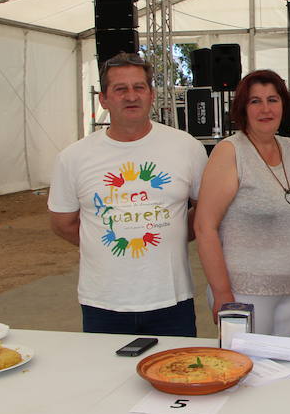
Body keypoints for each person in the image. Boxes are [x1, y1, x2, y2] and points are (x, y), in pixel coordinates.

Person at [48, 52, 208, 336]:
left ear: (151, 94)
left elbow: (205, 213)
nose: (131, 96)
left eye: (139, 87)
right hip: (104, 303)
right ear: (104, 99)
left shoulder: (187, 148)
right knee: (104, 378)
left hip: (171, 300)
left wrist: (169, 234)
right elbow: (64, 224)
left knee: (178, 375)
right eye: (120, 89)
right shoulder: (73, 158)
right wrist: (103, 239)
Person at [194, 69, 290, 337]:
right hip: (245, 292)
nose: (265, 109)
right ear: (242, 108)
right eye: (255, 101)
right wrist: (222, 292)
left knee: (283, 371)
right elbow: (204, 227)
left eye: (272, 100)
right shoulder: (230, 151)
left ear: (283, 104)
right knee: (248, 374)